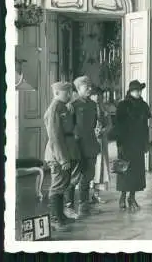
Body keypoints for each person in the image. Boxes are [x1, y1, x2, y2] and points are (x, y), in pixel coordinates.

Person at [43, 81, 78, 231]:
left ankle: (61, 216)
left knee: (63, 184)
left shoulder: (64, 107)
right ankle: (55, 219)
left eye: (70, 91)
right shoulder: (55, 108)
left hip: (66, 152)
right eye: (66, 92)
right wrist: (63, 158)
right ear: (57, 93)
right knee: (57, 186)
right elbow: (55, 136)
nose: (70, 94)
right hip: (58, 155)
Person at [65, 76, 100, 219]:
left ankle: (83, 205)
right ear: (78, 89)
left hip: (90, 145)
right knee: (73, 178)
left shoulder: (92, 105)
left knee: (88, 176)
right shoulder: (72, 105)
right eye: (86, 87)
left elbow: (93, 124)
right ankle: (68, 207)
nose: (90, 89)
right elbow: (68, 127)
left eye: (90, 86)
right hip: (77, 146)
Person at [116, 80, 151, 212]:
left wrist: (146, 143)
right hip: (126, 143)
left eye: (139, 90)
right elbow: (118, 126)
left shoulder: (143, 105)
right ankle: (122, 196)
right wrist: (119, 144)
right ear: (130, 91)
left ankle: (132, 197)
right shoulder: (123, 105)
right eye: (135, 90)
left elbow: (145, 127)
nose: (138, 92)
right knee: (125, 170)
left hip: (138, 143)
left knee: (136, 172)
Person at [90, 86, 111, 204]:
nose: (97, 97)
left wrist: (104, 130)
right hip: (90, 140)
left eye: (99, 95)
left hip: (102, 141)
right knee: (91, 166)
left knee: (100, 166)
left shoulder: (104, 109)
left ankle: (96, 193)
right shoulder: (88, 108)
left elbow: (110, 125)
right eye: (95, 95)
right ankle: (85, 194)